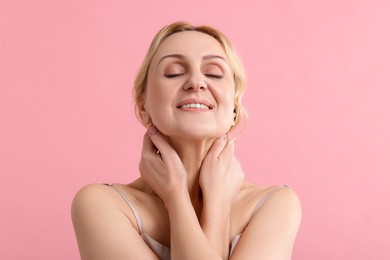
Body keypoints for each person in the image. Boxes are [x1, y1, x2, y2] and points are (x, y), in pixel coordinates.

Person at [71, 21, 302, 260]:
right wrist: (176, 196)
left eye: (214, 73)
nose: (196, 82)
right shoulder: (100, 205)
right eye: (174, 72)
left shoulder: (276, 204)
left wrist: (218, 203)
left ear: (234, 107)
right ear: (142, 107)